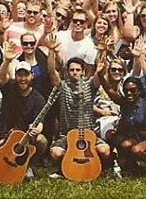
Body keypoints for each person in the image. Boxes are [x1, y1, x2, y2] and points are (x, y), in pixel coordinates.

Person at [45, 33, 113, 178]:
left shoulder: (90, 86)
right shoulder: (62, 86)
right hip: (66, 135)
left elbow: (100, 70)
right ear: (67, 72)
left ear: (83, 71)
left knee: (105, 150)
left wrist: (104, 51)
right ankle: (67, 167)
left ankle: (97, 167)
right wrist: (51, 51)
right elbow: (51, 72)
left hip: (88, 135)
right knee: (55, 153)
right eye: (72, 70)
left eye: (78, 70)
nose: (75, 72)